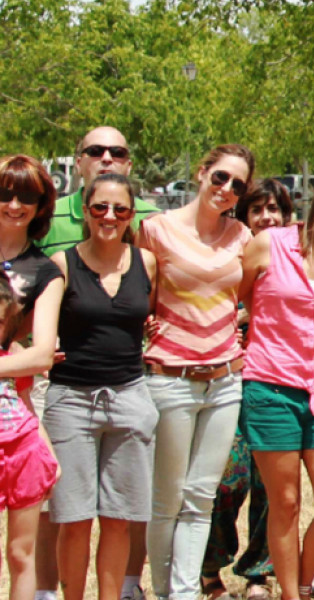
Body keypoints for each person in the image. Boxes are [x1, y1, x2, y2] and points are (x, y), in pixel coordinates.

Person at [35, 126, 157, 600]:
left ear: (132, 215)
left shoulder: (147, 262)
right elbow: (40, 328)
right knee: (72, 519)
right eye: (100, 208)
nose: (109, 216)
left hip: (130, 397)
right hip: (71, 403)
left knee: (120, 518)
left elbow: (154, 316)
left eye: (120, 209)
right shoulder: (61, 265)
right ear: (85, 212)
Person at [238, 173, 314, 600]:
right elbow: (240, 301)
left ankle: (302, 585)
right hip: (270, 386)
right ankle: (293, 595)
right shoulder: (270, 243)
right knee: (286, 502)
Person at [138, 144, 255, 600]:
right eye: (221, 177)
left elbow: (244, 300)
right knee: (166, 500)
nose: (226, 190)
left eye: (238, 186)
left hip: (226, 380)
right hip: (169, 378)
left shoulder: (241, 237)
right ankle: (165, 589)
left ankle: (184, 593)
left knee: (201, 498)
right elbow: (140, 297)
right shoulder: (156, 230)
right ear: (202, 171)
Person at [200, 178, 293, 600]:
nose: (267, 217)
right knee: (226, 481)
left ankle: (259, 572)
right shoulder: (225, 257)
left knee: (272, 486)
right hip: (226, 382)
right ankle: (208, 569)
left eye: (275, 209)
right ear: (243, 215)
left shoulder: (296, 258)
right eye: (258, 209)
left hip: (276, 384)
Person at [0, 155, 65, 600]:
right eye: (5, 193)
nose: (15, 204)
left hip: (13, 416)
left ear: (42, 205)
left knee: (21, 554)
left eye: (27, 195)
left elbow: (42, 355)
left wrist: (27, 357)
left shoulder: (46, 272)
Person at [0, 269, 60, 600]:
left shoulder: (14, 358)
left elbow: (28, 409)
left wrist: (49, 456)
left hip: (24, 453)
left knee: (21, 553)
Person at [36, 126, 158, 255]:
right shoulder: (46, 217)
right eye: (95, 151)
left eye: (117, 153)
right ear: (78, 164)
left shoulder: (154, 221)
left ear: (129, 166)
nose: (107, 158)